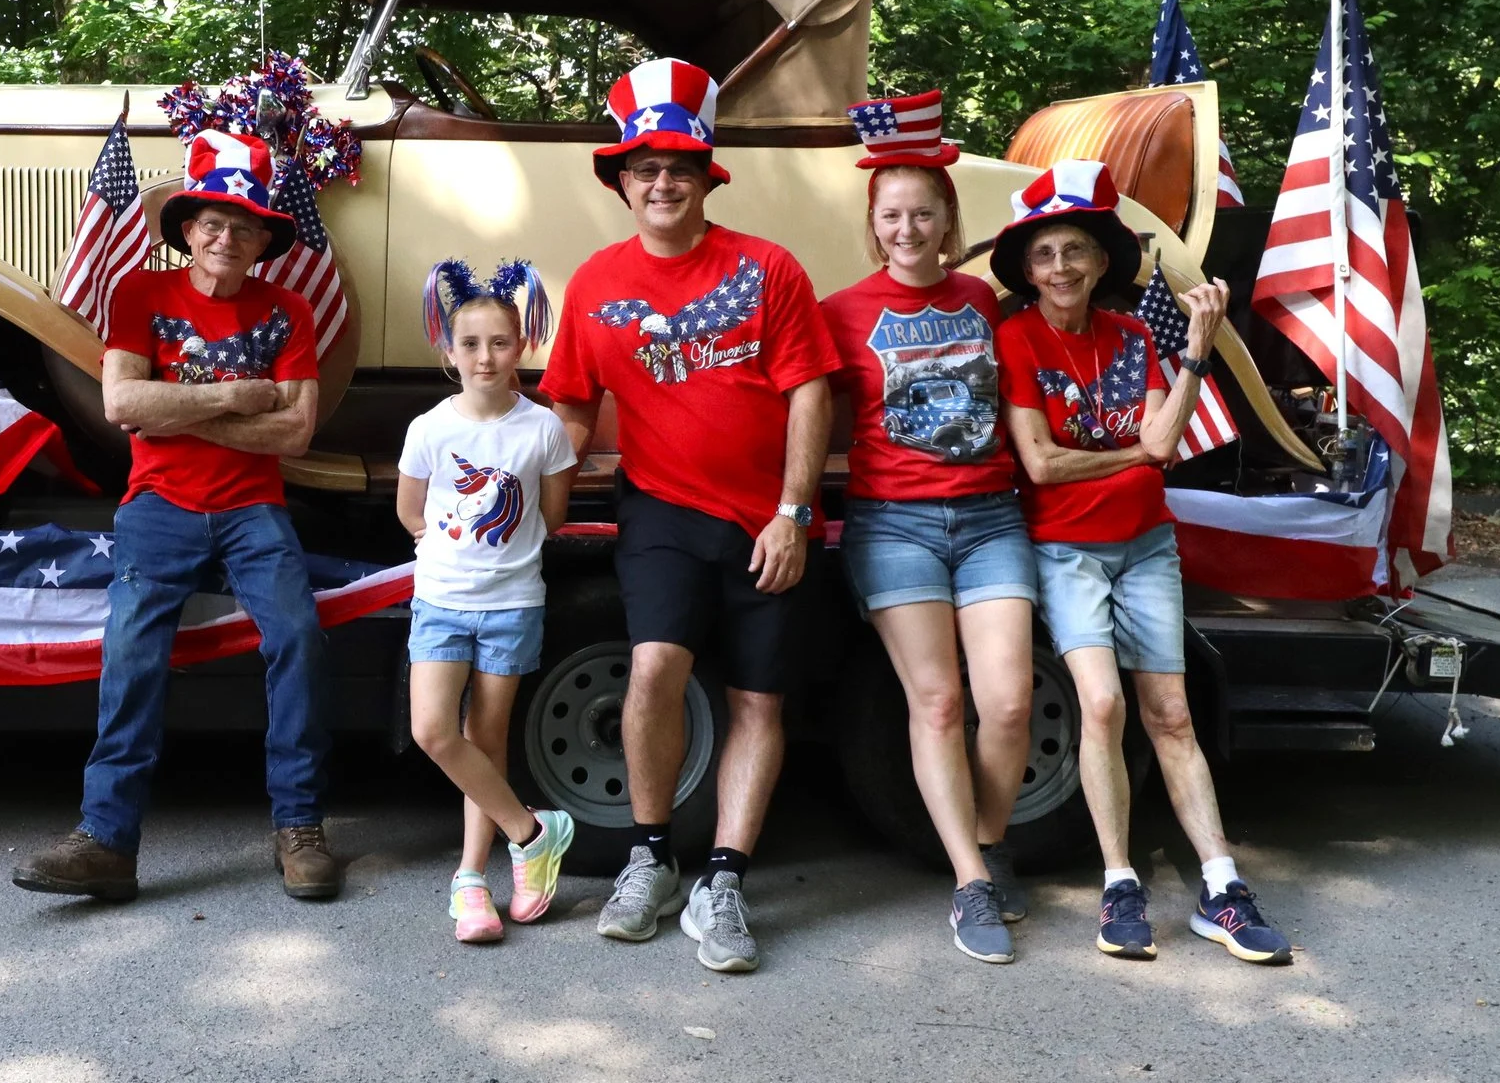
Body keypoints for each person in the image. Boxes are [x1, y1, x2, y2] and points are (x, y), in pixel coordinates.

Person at [539, 58, 837, 973]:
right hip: (662, 506)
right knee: (655, 667)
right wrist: (523, 497)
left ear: (708, 174)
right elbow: (570, 408)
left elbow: (809, 393)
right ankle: (649, 856)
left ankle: (725, 880)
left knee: (757, 697)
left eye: (679, 164)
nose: (661, 181)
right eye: (643, 167)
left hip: (766, 523)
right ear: (621, 181)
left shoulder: (768, 267)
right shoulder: (595, 283)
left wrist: (792, 511)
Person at [12, 129, 334, 903]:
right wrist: (228, 395)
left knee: (298, 635)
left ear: (264, 239)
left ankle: (300, 827)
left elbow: (295, 430)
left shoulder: (288, 307)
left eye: (245, 224)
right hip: (160, 504)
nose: (227, 236)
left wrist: (174, 411)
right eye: (213, 222)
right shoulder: (138, 293)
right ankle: (107, 840)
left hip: (254, 505)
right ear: (188, 229)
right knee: (130, 650)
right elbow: (122, 402)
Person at [990, 159, 1292, 965]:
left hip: (1146, 544)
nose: (1061, 267)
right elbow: (1041, 465)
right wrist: (1129, 453)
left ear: (1101, 262)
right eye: (1046, 253)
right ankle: (1119, 881)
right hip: (1066, 549)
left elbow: (1162, 446)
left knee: (1172, 712)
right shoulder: (1016, 337)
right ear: (1027, 268)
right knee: (1099, 705)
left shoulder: (1131, 335)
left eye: (1076, 250)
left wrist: (1195, 350)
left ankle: (1221, 886)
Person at [820, 91, 1034, 965]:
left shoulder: (985, 300)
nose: (908, 228)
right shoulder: (841, 310)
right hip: (894, 524)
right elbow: (802, 414)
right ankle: (971, 880)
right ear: (875, 228)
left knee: (1011, 703)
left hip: (990, 520)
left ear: (949, 220)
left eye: (924, 214)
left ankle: (983, 838)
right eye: (892, 216)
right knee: (939, 700)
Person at [396, 259, 580, 943]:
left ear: (523, 345)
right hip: (441, 599)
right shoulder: (431, 428)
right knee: (434, 731)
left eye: (499, 342)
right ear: (449, 350)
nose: (484, 355)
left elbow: (552, 515)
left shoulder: (543, 429)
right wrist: (452, 550)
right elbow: (411, 509)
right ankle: (533, 832)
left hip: (511, 604)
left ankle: (473, 880)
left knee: (486, 739)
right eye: (469, 343)